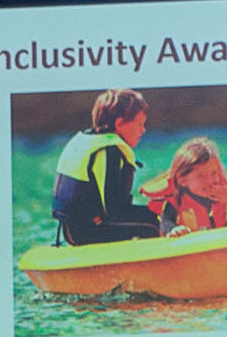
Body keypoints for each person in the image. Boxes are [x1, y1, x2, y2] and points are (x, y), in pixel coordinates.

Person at [53, 88, 162, 245]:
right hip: (89, 231)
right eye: (139, 124)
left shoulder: (86, 141)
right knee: (153, 223)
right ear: (119, 124)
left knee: (152, 214)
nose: (143, 130)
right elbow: (114, 210)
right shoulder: (109, 152)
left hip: (70, 230)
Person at [145, 135, 227, 234]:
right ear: (182, 180)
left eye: (214, 173)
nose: (210, 181)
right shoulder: (175, 201)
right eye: (201, 176)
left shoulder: (222, 195)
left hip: (220, 250)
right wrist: (174, 230)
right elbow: (165, 224)